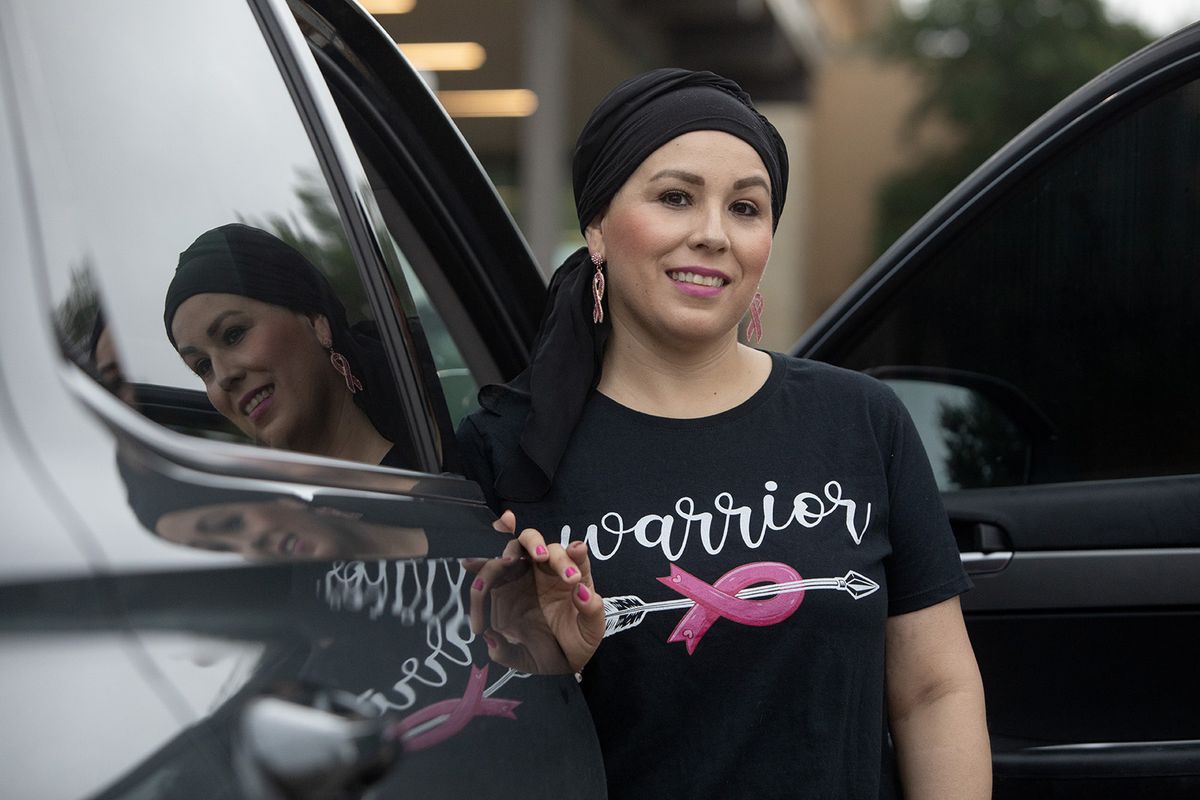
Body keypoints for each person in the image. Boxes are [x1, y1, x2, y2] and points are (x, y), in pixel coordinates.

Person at [456, 68, 991, 798]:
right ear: (597, 230)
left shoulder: (862, 422)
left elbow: (935, 691)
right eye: (675, 198)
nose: (712, 234)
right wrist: (552, 666)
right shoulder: (503, 448)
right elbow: (460, 727)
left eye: (745, 207)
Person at [164, 223, 405, 467]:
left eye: (233, 334)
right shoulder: (255, 503)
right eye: (203, 366)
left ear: (314, 320)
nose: (224, 377)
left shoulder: (439, 440)